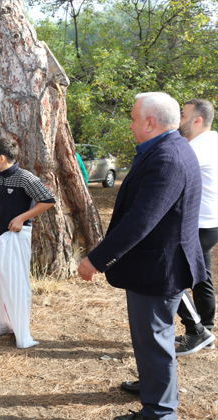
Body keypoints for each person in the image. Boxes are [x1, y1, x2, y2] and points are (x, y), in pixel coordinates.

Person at [78, 92, 207, 420]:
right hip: (156, 264)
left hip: (158, 268)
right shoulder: (167, 148)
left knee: (154, 341)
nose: (131, 124)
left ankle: (160, 411)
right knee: (153, 340)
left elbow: (141, 220)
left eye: (134, 118)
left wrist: (96, 259)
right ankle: (156, 389)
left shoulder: (168, 157)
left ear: (150, 123)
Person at [0, 139, 55, 348]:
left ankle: (22, 332)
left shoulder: (25, 177)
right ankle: (1, 324)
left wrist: (22, 218)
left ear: (1, 158)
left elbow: (48, 200)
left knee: (16, 283)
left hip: (16, 237)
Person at [173, 98, 218, 355]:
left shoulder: (197, 148)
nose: (179, 120)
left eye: (183, 115)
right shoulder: (212, 141)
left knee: (170, 275)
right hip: (209, 223)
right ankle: (206, 330)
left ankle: (196, 330)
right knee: (202, 277)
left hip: (198, 225)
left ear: (197, 120)